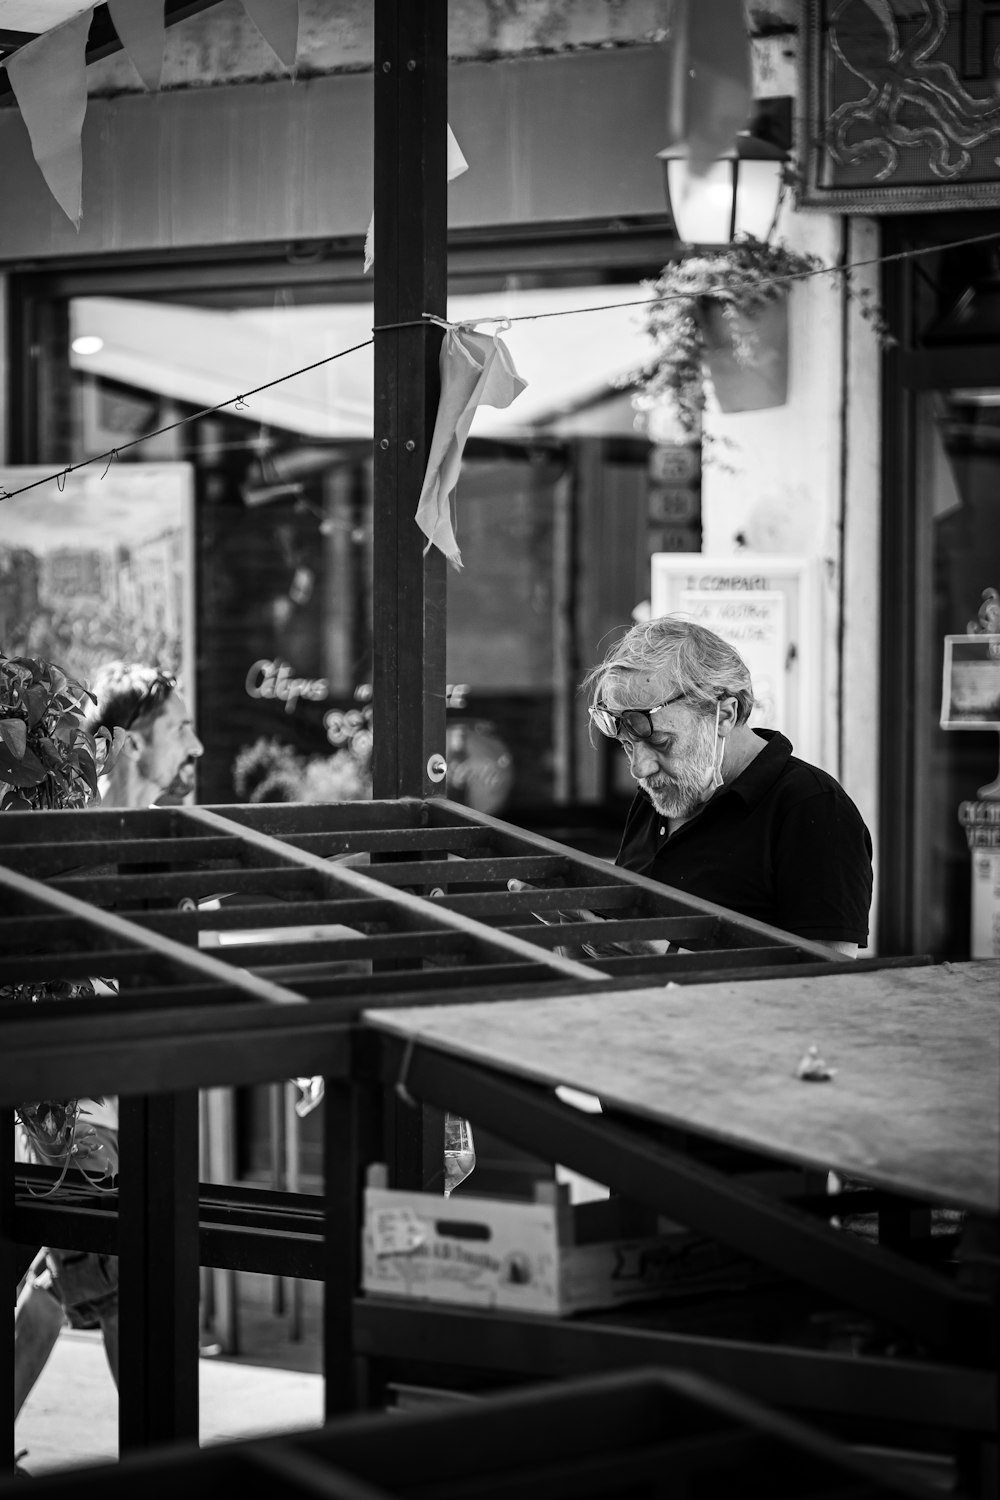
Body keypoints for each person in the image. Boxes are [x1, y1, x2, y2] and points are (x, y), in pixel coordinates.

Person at [14, 662, 204, 1427]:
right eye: (181, 729)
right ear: (128, 742)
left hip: (133, 1102)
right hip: (80, 1115)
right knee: (130, 1294)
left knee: (64, 1285)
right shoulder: (71, 835)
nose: (196, 744)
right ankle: (165, 1463)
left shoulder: (163, 840)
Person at [583, 616, 872, 957]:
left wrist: (663, 954)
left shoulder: (813, 807)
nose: (639, 768)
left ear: (724, 715)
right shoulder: (660, 791)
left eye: (661, 742)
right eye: (627, 745)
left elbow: (829, 982)